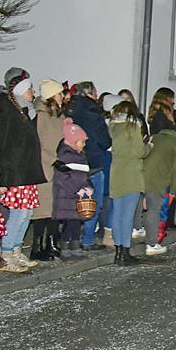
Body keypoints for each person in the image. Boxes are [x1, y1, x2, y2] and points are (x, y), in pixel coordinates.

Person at [0, 68, 47, 272]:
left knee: (26, 213)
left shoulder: (23, 112)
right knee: (18, 214)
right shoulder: (9, 114)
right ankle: (6, 255)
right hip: (16, 174)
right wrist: (4, 180)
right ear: (21, 91)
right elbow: (5, 146)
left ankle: (15, 251)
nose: (33, 92)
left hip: (26, 173)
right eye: (30, 88)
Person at [68, 81, 113, 252]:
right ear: (90, 93)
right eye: (95, 92)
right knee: (93, 203)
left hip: (72, 161)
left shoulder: (69, 109)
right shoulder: (92, 111)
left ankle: (70, 239)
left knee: (73, 202)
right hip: (92, 162)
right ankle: (88, 239)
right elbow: (103, 139)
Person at [107, 100, 147, 266]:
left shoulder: (113, 127)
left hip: (116, 174)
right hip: (132, 175)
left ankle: (117, 252)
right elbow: (140, 152)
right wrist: (148, 146)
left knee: (117, 214)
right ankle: (125, 251)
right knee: (128, 216)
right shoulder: (134, 127)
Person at [31, 78, 66, 261]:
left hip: (58, 168)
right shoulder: (41, 116)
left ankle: (52, 242)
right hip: (45, 169)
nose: (63, 96)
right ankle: (37, 246)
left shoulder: (59, 116)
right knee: (42, 209)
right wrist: (53, 160)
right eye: (60, 93)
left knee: (54, 208)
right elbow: (39, 144)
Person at [141, 122, 176, 256]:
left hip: (138, 175)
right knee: (154, 209)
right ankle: (152, 243)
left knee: (139, 206)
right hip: (157, 180)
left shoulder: (153, 137)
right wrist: (173, 190)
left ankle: (137, 230)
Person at [52, 118, 94, 260]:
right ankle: (65, 245)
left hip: (78, 196)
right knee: (69, 222)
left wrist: (89, 187)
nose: (84, 145)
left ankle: (76, 245)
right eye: (82, 142)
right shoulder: (65, 156)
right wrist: (77, 190)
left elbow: (85, 175)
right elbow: (62, 179)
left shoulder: (80, 156)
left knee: (76, 221)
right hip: (67, 196)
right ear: (73, 142)